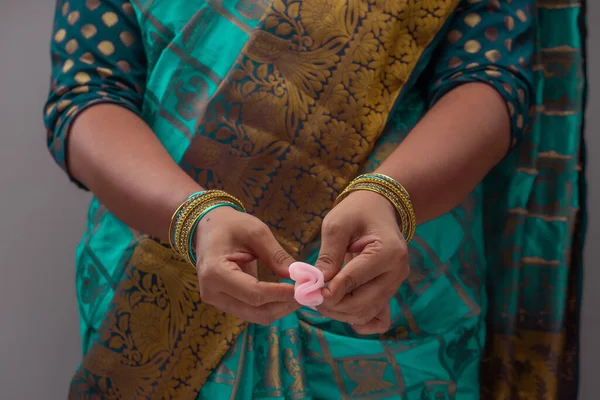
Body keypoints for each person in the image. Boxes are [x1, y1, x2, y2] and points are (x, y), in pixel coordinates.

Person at [44, 0, 586, 398]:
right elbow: (89, 89)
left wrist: (390, 196)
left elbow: (489, 79)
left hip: (397, 291)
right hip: (163, 283)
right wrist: (194, 218)